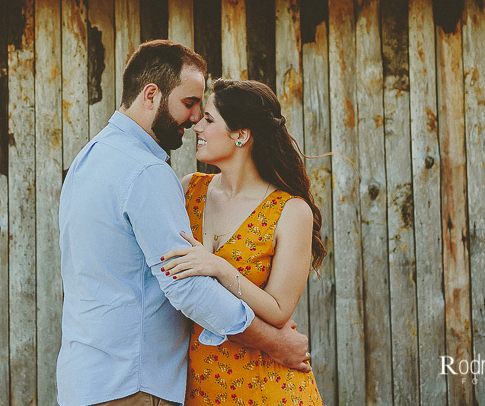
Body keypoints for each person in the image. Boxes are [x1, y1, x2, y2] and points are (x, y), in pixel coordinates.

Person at [57, 41, 311, 406]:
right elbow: (186, 287)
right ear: (151, 95)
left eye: (204, 113)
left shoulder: (89, 158)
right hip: (134, 381)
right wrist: (276, 343)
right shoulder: (149, 172)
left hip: (88, 380)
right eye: (191, 105)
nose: (194, 120)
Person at [161, 78, 326, 405]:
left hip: (266, 385)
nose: (197, 126)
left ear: (240, 135)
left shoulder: (291, 211)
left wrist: (219, 267)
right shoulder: (188, 190)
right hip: (199, 383)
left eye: (209, 120)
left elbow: (279, 311)